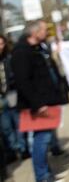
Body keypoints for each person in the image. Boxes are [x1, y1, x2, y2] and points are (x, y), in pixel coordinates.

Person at [12, 21, 69, 182]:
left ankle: (47, 174)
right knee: (41, 140)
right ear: (34, 32)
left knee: (44, 138)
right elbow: (23, 81)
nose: (46, 32)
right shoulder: (21, 52)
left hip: (45, 100)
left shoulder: (36, 48)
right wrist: (38, 104)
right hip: (37, 105)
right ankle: (42, 177)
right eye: (44, 29)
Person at [0, 34, 27, 162]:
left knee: (18, 122)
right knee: (6, 127)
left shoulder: (9, 58)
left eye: (1, 44)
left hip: (11, 94)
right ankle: (13, 148)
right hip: (0, 98)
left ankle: (22, 148)